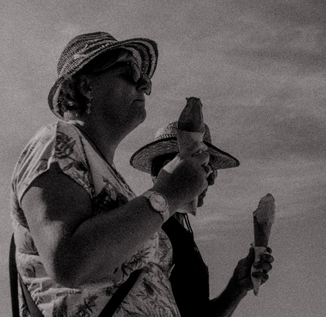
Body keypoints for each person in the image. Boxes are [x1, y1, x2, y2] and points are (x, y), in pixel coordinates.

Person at [10, 32, 211, 317]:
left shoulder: (115, 182)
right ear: (85, 85)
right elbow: (68, 262)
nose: (145, 84)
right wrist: (167, 193)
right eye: (128, 72)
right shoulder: (57, 141)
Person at [130, 122, 274, 317]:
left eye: (211, 171)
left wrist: (237, 287)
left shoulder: (182, 232)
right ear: (172, 167)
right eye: (204, 167)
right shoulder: (146, 225)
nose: (212, 180)